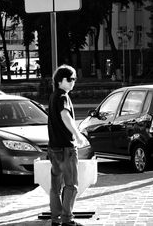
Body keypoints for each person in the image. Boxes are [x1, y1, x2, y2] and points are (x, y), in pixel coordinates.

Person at [48, 64, 86, 226]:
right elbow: (65, 116)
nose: (73, 82)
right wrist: (77, 135)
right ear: (60, 81)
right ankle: (67, 220)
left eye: (74, 79)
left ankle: (55, 219)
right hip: (66, 148)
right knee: (71, 185)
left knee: (56, 185)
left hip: (54, 147)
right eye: (70, 79)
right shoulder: (63, 97)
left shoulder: (53, 96)